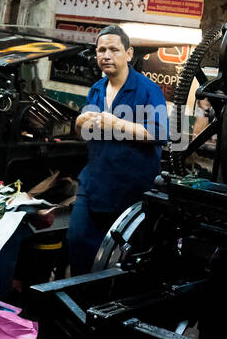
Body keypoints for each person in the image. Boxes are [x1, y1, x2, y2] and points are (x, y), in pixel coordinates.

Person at [68, 25, 168, 275]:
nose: (106, 55)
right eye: (101, 50)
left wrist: (118, 124)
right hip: (93, 184)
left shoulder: (148, 90)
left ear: (128, 53)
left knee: (117, 260)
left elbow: (161, 133)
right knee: (77, 242)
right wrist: (79, 124)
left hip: (129, 191)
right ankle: (79, 303)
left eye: (113, 49)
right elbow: (84, 133)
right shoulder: (97, 89)